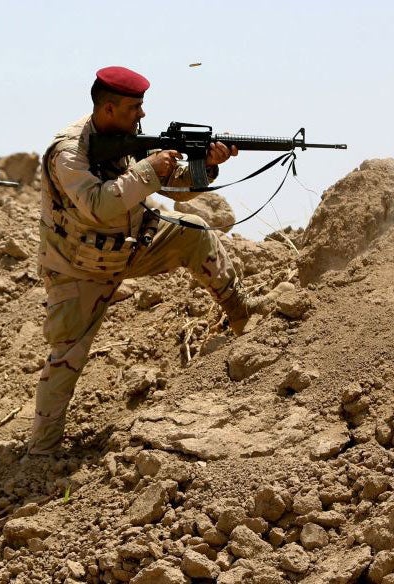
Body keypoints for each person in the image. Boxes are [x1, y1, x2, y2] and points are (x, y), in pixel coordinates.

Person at [28, 66, 287, 455]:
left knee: (195, 231)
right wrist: (151, 169)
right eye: (135, 107)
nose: (142, 115)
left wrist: (208, 163)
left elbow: (177, 188)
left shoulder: (130, 136)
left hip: (132, 245)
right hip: (79, 266)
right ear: (109, 108)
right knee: (67, 355)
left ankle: (242, 317)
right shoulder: (68, 153)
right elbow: (99, 204)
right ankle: (41, 452)